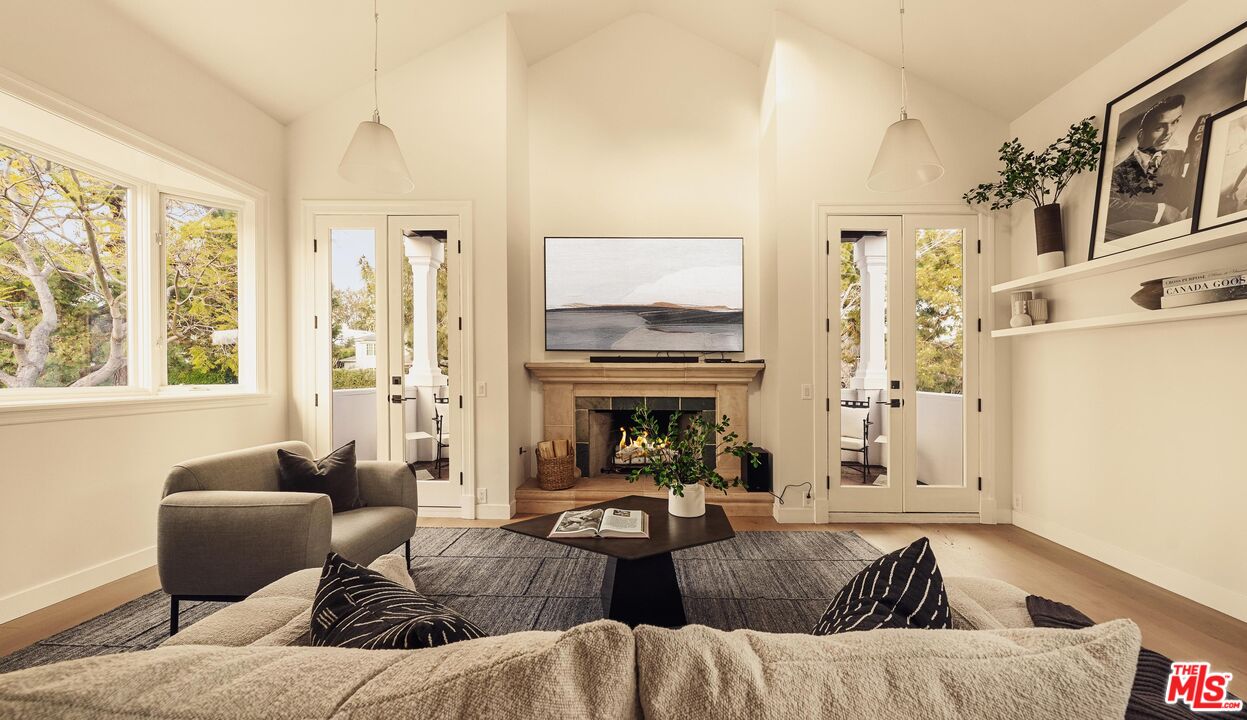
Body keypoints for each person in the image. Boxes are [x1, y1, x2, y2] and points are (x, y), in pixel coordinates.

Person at [1107, 95, 1207, 235]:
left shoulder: (1178, 157)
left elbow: (1185, 196)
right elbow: (1109, 206)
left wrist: (1196, 163)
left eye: (1175, 122)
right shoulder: (1117, 172)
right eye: (1159, 127)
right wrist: (1160, 210)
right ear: (1141, 135)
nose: (1169, 133)